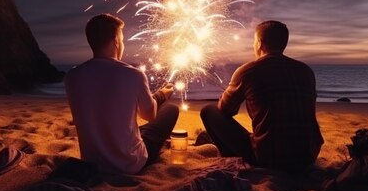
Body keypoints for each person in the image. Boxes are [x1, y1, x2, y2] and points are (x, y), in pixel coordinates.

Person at [200, 20, 323, 171]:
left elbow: (226, 110)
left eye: (254, 41)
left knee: (208, 111)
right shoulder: (306, 71)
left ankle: (230, 155)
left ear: (259, 43)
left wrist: (231, 91)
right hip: (308, 155)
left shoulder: (247, 71)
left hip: (269, 157)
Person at [65, 13, 179, 174]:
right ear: (116, 41)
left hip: (92, 164)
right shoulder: (133, 74)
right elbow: (150, 115)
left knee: (135, 128)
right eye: (122, 40)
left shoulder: (72, 76)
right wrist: (162, 95)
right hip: (130, 163)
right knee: (171, 109)